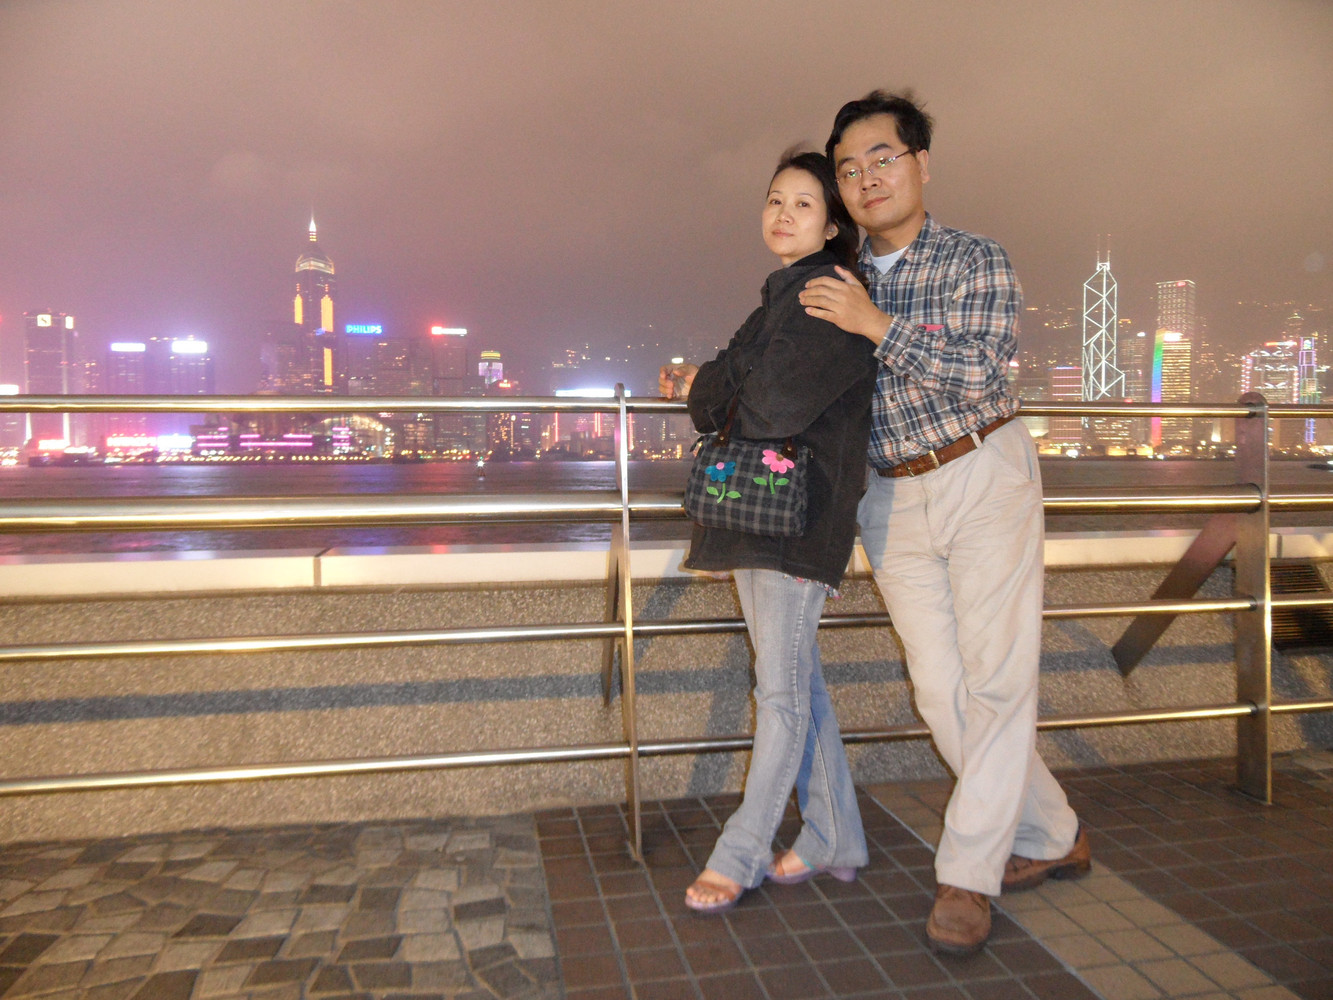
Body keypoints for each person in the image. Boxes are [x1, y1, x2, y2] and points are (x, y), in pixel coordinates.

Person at [798, 91, 1090, 955]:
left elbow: (979, 370)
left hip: (981, 471)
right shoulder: (834, 278)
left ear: (921, 163)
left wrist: (874, 325)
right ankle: (1052, 831)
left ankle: (967, 874)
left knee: (996, 681)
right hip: (889, 496)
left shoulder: (974, 259)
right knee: (937, 689)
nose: (865, 178)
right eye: (848, 168)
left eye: (882, 158)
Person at [659, 149, 876, 914]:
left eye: (803, 204)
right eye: (774, 199)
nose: (782, 215)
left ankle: (741, 852)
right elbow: (708, 394)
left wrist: (732, 379)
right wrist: (733, 379)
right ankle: (834, 835)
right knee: (796, 682)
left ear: (832, 224)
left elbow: (767, 404)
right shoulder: (779, 298)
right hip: (763, 511)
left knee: (779, 692)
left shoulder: (827, 295)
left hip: (798, 521)